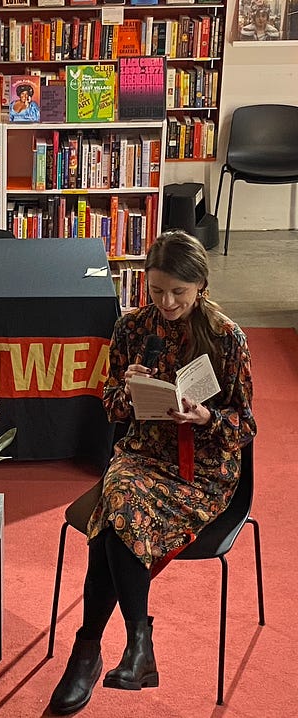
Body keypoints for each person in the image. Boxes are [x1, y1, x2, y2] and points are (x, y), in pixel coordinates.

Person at [48, 230, 256, 715]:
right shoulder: (131, 329)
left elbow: (245, 425)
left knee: (110, 524)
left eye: (177, 293)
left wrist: (205, 418)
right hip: (143, 454)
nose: (165, 302)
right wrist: (132, 392)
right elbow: (111, 405)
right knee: (121, 492)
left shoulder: (229, 338)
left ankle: (89, 649)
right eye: (156, 289)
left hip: (202, 470)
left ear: (200, 285)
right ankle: (136, 645)